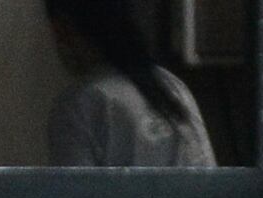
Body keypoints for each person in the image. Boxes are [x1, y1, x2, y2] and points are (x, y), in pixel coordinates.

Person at [44, 0, 214, 167]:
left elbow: (74, 192)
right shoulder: (172, 87)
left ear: (61, 28)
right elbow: (209, 182)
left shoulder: (79, 106)